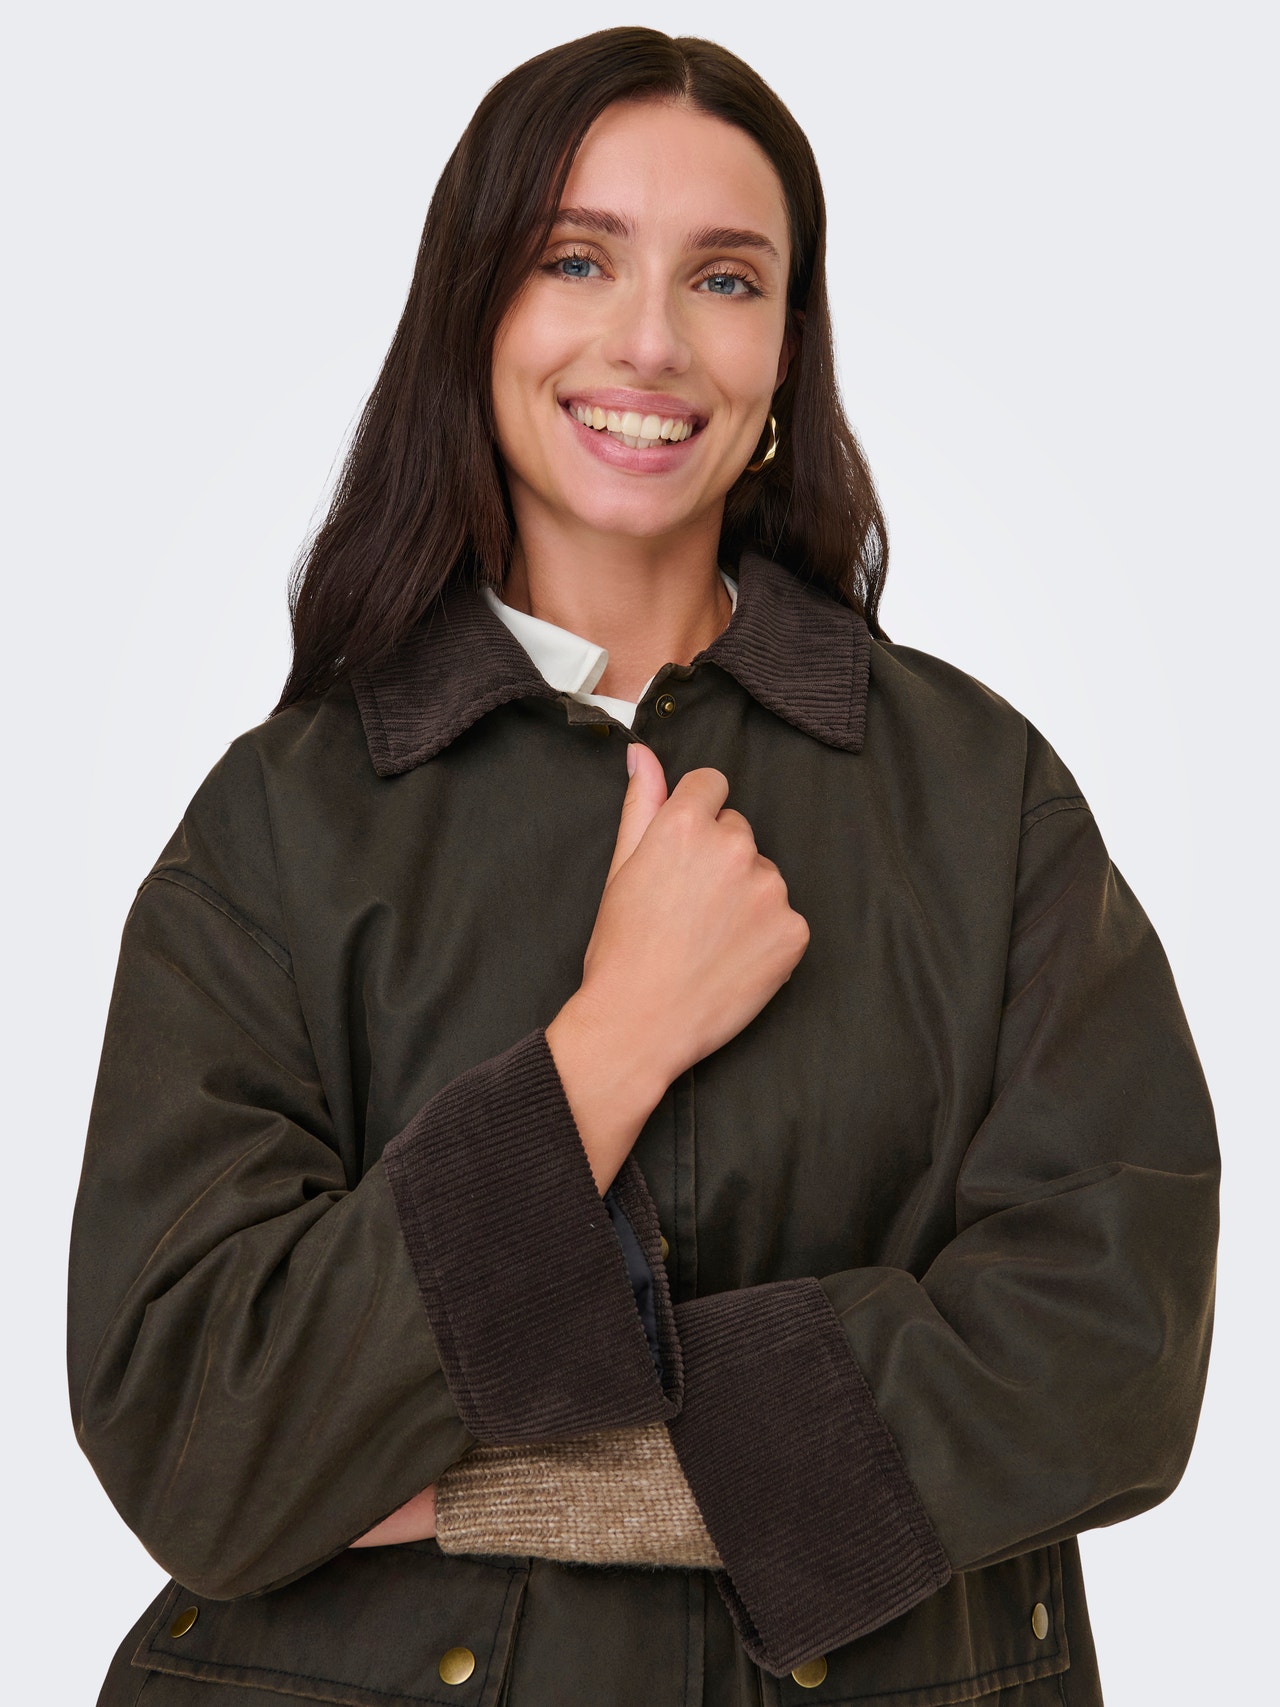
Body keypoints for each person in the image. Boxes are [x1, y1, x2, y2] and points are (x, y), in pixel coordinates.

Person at [69, 26, 1219, 1707]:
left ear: (787, 351)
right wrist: (610, 1046)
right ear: (476, 310)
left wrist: (520, 1484)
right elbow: (197, 1428)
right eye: (577, 259)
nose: (653, 340)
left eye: (727, 279)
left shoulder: (989, 801)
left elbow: (1114, 1349)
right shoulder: (278, 825)